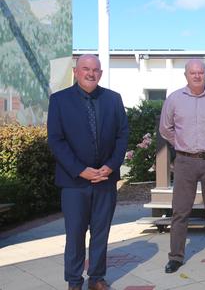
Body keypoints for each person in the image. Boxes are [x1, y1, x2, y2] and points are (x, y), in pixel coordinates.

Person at [47, 54, 129, 290]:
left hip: (105, 179)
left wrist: (111, 166)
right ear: (76, 71)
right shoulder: (59, 100)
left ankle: (96, 278)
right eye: (85, 68)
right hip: (74, 182)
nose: (91, 73)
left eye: (95, 69)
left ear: (100, 73)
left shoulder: (113, 99)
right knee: (75, 235)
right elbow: (56, 140)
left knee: (101, 233)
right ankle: (74, 280)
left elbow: (122, 136)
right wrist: (80, 170)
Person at [159, 59, 205, 274]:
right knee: (180, 211)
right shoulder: (174, 99)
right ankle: (175, 257)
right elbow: (166, 128)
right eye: (193, 72)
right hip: (184, 162)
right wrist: (181, 143)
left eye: (201, 72)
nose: (197, 76)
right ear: (186, 75)